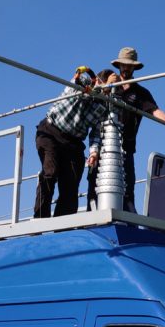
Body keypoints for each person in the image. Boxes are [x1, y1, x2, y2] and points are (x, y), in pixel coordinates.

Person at [109, 47, 165, 213]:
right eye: (123, 65)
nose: (126, 68)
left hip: (127, 148)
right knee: (99, 186)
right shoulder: (109, 85)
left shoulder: (141, 93)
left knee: (127, 192)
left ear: (134, 68)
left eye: (129, 65)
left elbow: (154, 111)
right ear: (119, 66)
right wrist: (106, 85)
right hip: (105, 147)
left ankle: (129, 225)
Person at [34, 65, 107, 218]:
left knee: (71, 186)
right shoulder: (81, 83)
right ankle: (40, 220)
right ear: (98, 81)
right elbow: (75, 85)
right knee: (50, 173)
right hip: (50, 132)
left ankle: (62, 228)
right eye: (107, 84)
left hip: (73, 143)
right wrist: (94, 88)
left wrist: (94, 152)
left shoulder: (103, 106)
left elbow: (96, 132)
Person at [86, 69, 119, 210]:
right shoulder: (93, 95)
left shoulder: (111, 103)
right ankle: (91, 214)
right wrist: (94, 152)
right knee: (93, 184)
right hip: (100, 149)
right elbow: (95, 130)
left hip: (111, 148)